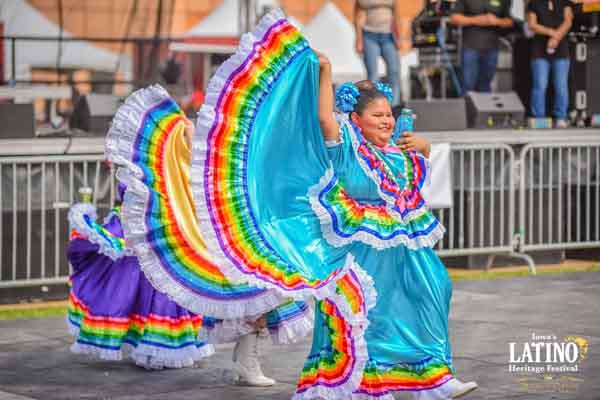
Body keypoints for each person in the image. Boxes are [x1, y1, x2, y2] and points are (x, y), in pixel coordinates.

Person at [105, 9, 478, 398]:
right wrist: (326, 69)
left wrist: (425, 145)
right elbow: (323, 118)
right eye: (378, 115)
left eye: (389, 115)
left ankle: (435, 377)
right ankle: (369, 381)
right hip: (361, 255)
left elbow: (414, 174)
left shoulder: (397, 153)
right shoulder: (346, 148)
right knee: (365, 316)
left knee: (435, 289)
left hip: (405, 252)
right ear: (357, 119)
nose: (387, 121)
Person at [67, 172, 312, 384]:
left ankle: (246, 358)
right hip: (202, 223)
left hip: (218, 218)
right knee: (263, 289)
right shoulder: (183, 132)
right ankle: (245, 359)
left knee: (268, 289)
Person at [450, 0, 514, 93]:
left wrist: (497, 21)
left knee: (486, 85)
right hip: (470, 47)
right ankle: (467, 107)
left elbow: (510, 21)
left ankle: (485, 106)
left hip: (492, 47)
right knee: (468, 85)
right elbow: (454, 18)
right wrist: (477, 20)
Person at [527, 0, 573, 128]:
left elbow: (568, 21)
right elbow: (532, 24)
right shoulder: (534, 3)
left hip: (561, 48)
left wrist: (556, 37)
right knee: (540, 84)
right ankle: (539, 118)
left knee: (561, 85)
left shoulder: (565, 2)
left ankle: (561, 117)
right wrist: (552, 33)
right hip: (539, 49)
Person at [354, 0, 409, 106]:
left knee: (394, 71)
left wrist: (400, 37)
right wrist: (359, 39)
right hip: (369, 35)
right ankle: (373, 105)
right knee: (373, 74)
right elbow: (357, 16)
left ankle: (393, 106)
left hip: (388, 36)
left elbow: (397, 15)